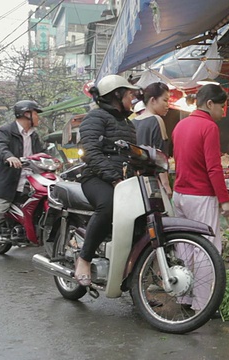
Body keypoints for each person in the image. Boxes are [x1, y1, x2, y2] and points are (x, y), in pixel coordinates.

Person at [172, 84, 229, 312]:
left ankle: (184, 298)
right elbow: (214, 168)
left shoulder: (180, 125)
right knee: (207, 248)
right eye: (222, 106)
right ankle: (203, 304)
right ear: (210, 104)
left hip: (180, 195)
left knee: (186, 246)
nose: (223, 112)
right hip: (201, 196)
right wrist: (224, 200)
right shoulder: (208, 127)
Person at [75, 74, 140, 285]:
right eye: (130, 94)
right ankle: (84, 258)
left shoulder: (129, 125)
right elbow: (91, 152)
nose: (133, 98)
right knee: (109, 205)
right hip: (96, 178)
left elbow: (134, 154)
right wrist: (113, 179)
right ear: (117, 95)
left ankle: (135, 275)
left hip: (124, 181)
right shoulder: (95, 118)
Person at [0, 100, 45, 264]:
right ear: (26, 114)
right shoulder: (6, 130)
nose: (37, 117)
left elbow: (41, 153)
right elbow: (0, 147)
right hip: (8, 180)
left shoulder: (34, 135)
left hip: (30, 180)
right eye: (35, 113)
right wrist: (9, 157)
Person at [132, 82, 172, 195]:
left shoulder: (133, 122)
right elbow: (161, 156)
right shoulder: (156, 120)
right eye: (165, 100)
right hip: (154, 183)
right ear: (153, 100)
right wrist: (166, 184)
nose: (167, 105)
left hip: (137, 183)